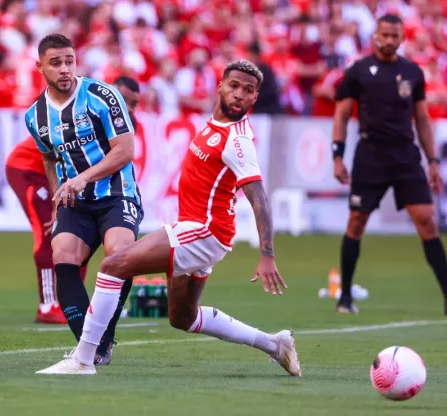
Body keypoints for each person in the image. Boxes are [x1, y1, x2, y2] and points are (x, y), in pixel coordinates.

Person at [36, 59, 302, 377]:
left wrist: (267, 254)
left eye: (248, 91)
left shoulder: (237, 141)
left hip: (203, 231)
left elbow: (258, 197)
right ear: (220, 86)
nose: (239, 95)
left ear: (255, 97)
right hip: (201, 230)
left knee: (112, 265)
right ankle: (276, 345)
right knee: (182, 317)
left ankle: (83, 359)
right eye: (234, 86)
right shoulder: (215, 125)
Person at [330, 14, 447, 315]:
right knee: (356, 222)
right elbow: (342, 116)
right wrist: (337, 155)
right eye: (384, 35)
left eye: (394, 36)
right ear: (375, 37)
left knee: (427, 220)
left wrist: (433, 160)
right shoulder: (358, 71)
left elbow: (422, 119)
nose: (388, 40)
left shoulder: (413, 72)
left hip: (405, 155)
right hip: (370, 154)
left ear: (401, 39)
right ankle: (344, 297)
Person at [23, 34, 143, 366]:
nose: (64, 69)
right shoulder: (36, 116)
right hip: (76, 202)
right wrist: (56, 201)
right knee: (61, 254)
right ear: (40, 67)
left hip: (116, 193)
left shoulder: (103, 95)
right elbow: (49, 159)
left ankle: (102, 339)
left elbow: (126, 150)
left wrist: (83, 177)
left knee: (120, 253)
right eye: (55, 63)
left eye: (69, 61)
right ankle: (93, 346)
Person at [5, 75, 141, 334]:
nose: (130, 109)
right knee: (49, 235)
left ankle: (77, 306)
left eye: (134, 104)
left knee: (82, 242)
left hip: (77, 184)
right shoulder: (87, 105)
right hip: (28, 170)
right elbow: (49, 159)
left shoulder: (116, 117)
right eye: (127, 101)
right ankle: (48, 305)